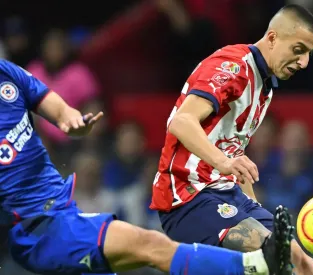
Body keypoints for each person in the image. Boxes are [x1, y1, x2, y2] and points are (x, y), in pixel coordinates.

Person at [0, 58, 294, 275]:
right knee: (150, 245)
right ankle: (256, 265)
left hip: (61, 212)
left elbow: (60, 111)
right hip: (35, 229)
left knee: (150, 245)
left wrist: (72, 121)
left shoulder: (7, 74)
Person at [151, 4, 313, 275]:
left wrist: (253, 207)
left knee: (304, 264)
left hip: (227, 194)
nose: (304, 62)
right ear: (273, 38)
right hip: (188, 198)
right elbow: (181, 122)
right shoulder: (232, 67)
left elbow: (234, 152)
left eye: (310, 53)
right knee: (273, 258)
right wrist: (224, 162)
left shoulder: (264, 86)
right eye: (299, 50)